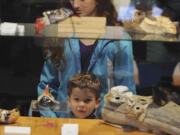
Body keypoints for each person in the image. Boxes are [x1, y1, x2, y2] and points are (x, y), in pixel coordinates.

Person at [37, 0, 136, 118]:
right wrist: (52, 120)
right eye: (72, 0)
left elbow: (126, 89)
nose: (75, 5)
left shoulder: (118, 38)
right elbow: (47, 86)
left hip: (104, 121)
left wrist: (116, 121)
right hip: (63, 119)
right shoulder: (60, 34)